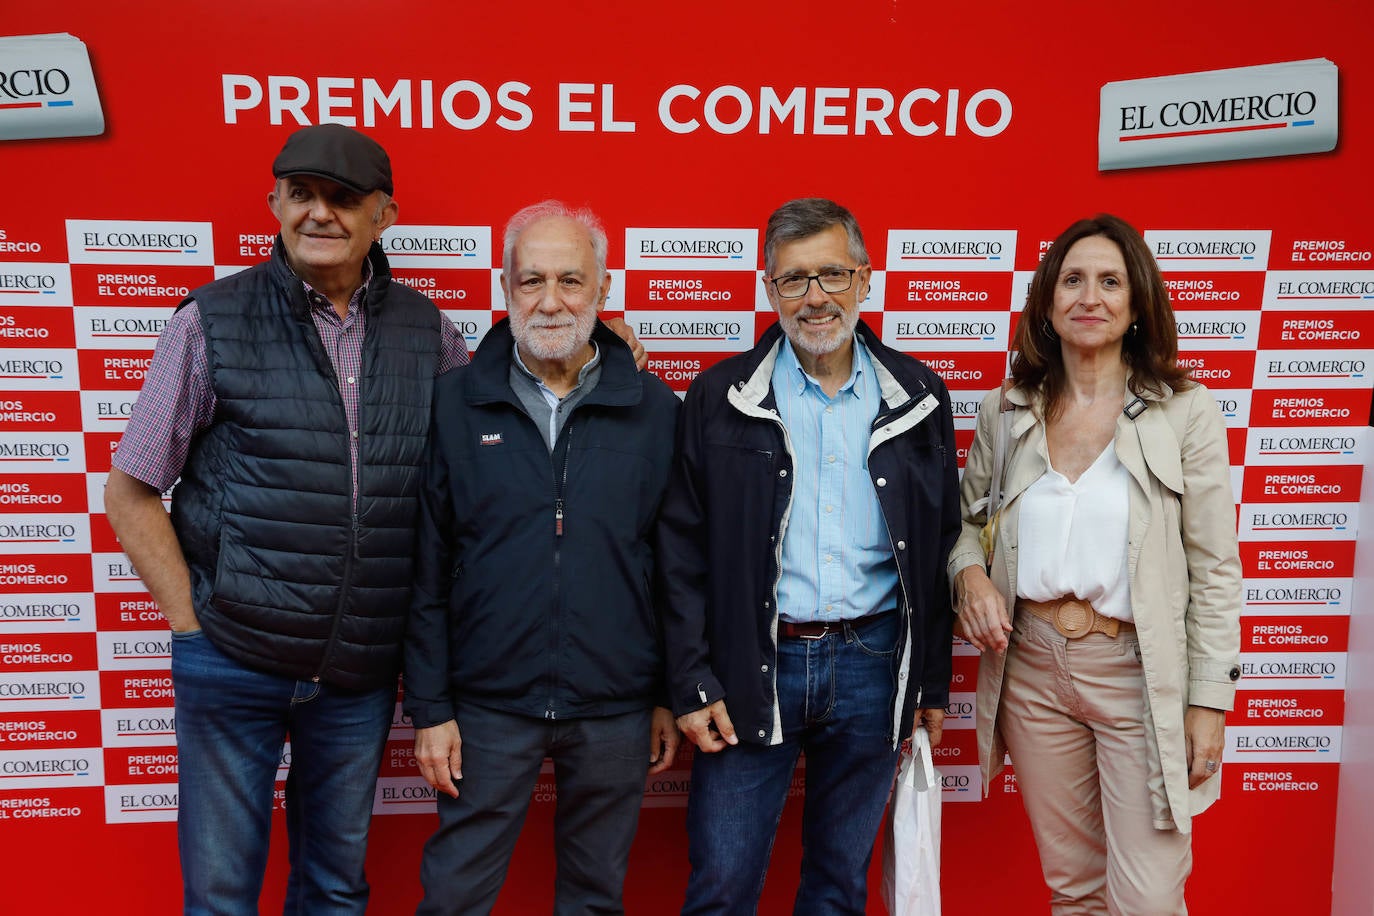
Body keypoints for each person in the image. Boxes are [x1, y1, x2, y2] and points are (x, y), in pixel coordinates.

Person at [102, 126, 644, 914]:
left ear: (383, 214)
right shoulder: (210, 321)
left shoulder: (429, 333)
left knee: (333, 886)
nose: (321, 213)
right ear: (275, 204)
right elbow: (132, 491)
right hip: (233, 658)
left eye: (345, 198)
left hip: (356, 676)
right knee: (220, 893)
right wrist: (191, 626)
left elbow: (509, 401)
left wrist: (607, 353)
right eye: (302, 194)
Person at [657, 197, 959, 915]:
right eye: (793, 279)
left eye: (832, 274)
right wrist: (692, 680)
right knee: (722, 885)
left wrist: (931, 682)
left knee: (836, 887)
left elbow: (941, 544)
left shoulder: (917, 395)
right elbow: (679, 551)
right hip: (750, 667)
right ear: (770, 290)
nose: (815, 297)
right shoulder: (719, 396)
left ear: (865, 279)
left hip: (874, 665)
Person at [949, 214, 1242, 914]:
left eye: (1110, 281)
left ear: (1138, 302)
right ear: (1048, 302)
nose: (1091, 296)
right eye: (1073, 280)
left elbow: (1215, 566)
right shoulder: (1009, 409)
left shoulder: (1184, 411)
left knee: (1145, 899)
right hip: (1033, 669)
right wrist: (969, 575)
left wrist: (1209, 701)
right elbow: (966, 525)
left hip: (1140, 673)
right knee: (1073, 890)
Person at [403, 200, 681, 915]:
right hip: (487, 704)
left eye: (570, 280)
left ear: (602, 289)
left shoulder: (655, 409)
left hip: (615, 707)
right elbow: (426, 570)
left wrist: (663, 694)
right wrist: (430, 708)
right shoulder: (453, 404)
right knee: (455, 894)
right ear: (505, 288)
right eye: (531, 281)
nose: (550, 300)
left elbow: (674, 565)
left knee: (594, 898)